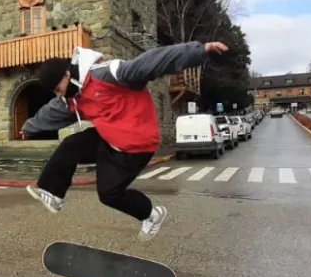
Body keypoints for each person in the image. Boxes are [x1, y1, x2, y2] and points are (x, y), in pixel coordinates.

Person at [21, 40, 230, 241]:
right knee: (71, 145)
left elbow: (152, 62)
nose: (61, 95)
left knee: (109, 194)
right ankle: (54, 194)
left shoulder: (109, 73)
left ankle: (153, 214)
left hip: (137, 146)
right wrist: (29, 128)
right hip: (109, 138)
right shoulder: (72, 99)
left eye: (59, 89)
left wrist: (199, 51)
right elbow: (50, 113)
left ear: (67, 74)